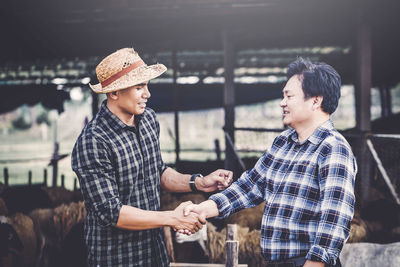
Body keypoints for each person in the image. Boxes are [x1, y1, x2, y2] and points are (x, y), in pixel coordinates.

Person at [184, 58, 357, 267]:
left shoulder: (332, 147)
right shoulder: (283, 142)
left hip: (308, 263)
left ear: (315, 101)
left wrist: (315, 263)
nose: (282, 102)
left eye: (289, 96)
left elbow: (335, 219)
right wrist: (203, 209)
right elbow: (250, 186)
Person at [71, 47, 233, 267]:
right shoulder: (93, 142)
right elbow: (111, 213)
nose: (147, 94)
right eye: (139, 87)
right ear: (114, 93)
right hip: (117, 258)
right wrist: (172, 218)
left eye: (146, 86)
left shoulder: (148, 120)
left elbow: (157, 171)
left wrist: (199, 183)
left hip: (155, 253)